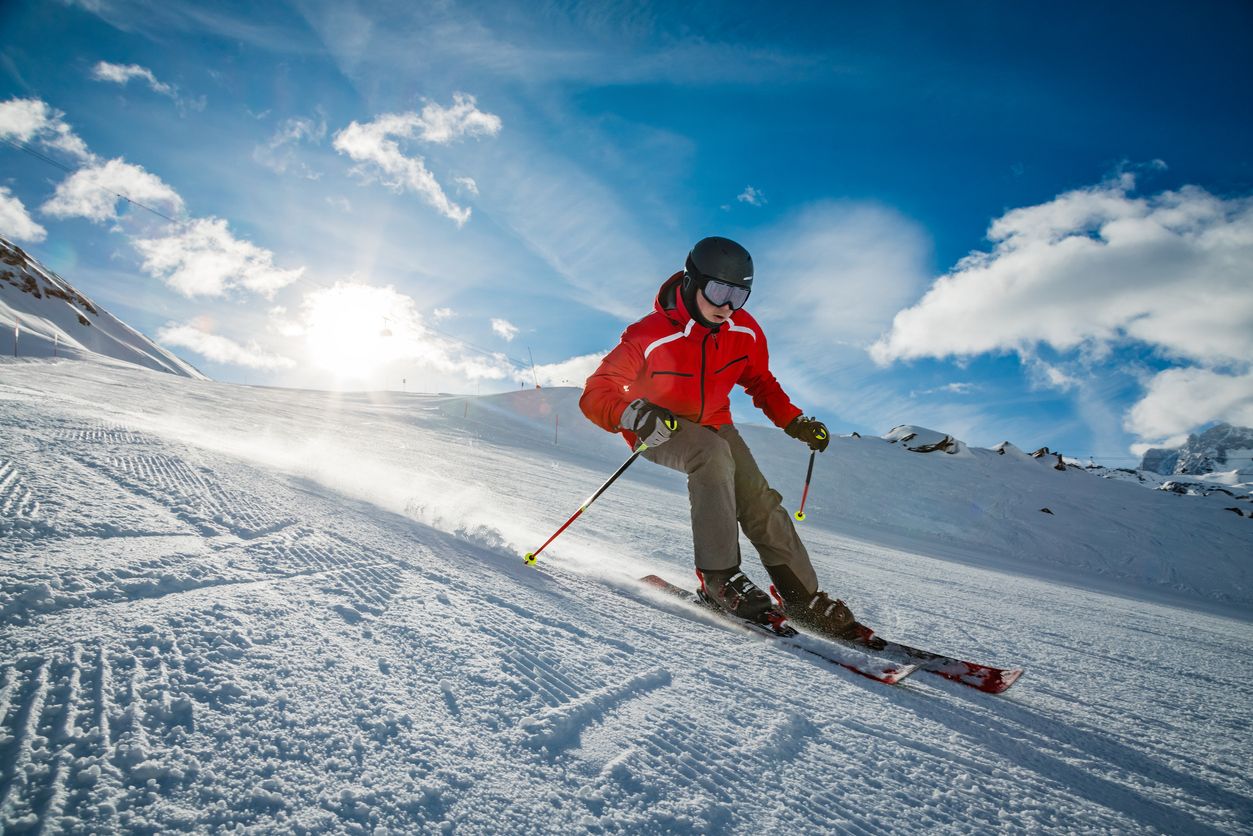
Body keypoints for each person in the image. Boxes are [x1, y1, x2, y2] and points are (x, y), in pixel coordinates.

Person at [579, 236, 861, 639]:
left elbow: (760, 381)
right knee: (710, 455)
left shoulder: (743, 331)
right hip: (659, 426)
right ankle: (719, 580)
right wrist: (632, 413)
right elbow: (596, 393)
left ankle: (802, 596)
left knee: (758, 499)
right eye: (719, 291)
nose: (727, 305)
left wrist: (794, 421)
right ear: (693, 281)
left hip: (715, 422)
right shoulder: (650, 334)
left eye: (739, 295)